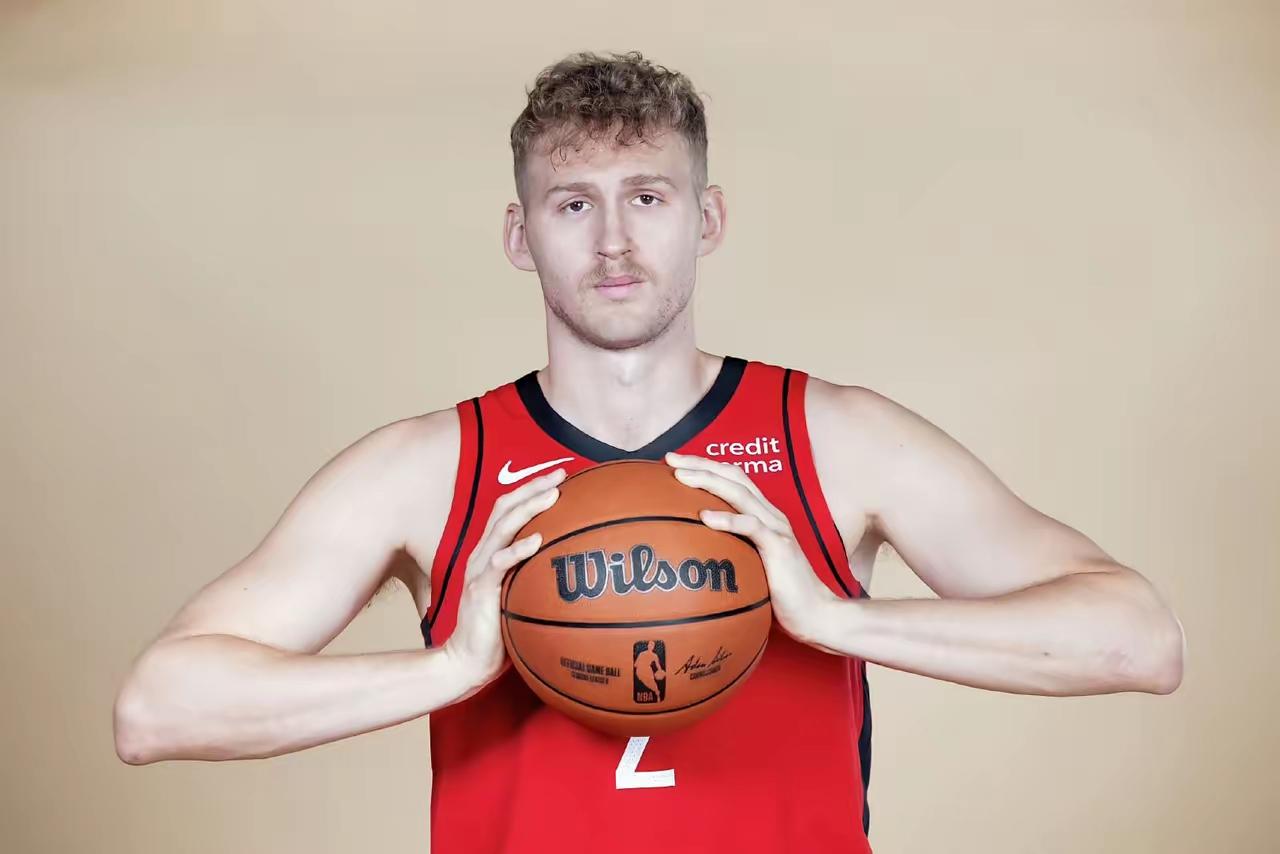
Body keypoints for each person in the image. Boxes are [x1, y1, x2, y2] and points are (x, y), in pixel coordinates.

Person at [112, 50, 1185, 853]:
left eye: (648, 197)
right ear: (520, 234)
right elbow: (158, 707)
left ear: (704, 219)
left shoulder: (836, 439)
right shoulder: (426, 469)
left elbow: (1136, 638)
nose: (614, 241)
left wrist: (834, 618)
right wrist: (449, 669)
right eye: (573, 203)